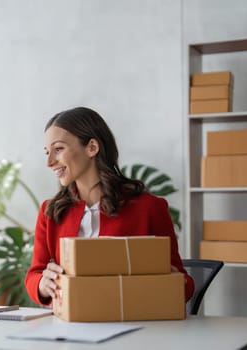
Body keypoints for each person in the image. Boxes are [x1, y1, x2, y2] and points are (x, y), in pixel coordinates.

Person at [25, 106, 194, 306]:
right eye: (47, 152)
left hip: (132, 326)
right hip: (69, 326)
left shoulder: (149, 208)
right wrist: (43, 284)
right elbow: (34, 275)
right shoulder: (50, 212)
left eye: (59, 149)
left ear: (92, 148)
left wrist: (167, 277)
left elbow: (185, 286)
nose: (50, 162)